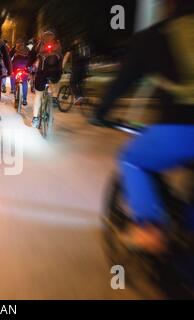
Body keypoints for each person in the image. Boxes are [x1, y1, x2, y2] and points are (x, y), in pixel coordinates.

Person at [93, 0, 194, 253]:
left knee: (133, 160)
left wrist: (102, 112)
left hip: (179, 128)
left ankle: (149, 227)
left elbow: (122, 82)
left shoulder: (154, 36)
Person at [27, 29, 63, 128]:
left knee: (38, 95)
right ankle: (54, 97)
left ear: (42, 37)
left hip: (42, 73)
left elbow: (31, 57)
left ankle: (35, 119)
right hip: (55, 73)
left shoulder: (38, 44)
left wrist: (28, 66)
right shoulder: (58, 44)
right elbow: (61, 57)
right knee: (56, 80)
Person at [62, 38, 90, 104]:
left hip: (76, 67)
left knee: (72, 82)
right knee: (79, 83)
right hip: (85, 68)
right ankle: (81, 98)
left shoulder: (72, 46)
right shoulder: (84, 46)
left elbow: (66, 57)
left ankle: (78, 97)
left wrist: (62, 67)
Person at [10, 39, 31, 106]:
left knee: (12, 76)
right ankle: (24, 100)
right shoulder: (27, 49)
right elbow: (31, 57)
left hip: (16, 65)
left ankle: (13, 89)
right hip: (25, 66)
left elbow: (9, 56)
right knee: (24, 82)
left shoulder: (15, 48)